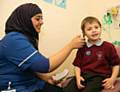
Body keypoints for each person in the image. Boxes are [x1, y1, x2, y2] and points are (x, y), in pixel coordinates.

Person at [0, 3, 85, 92]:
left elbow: (31, 65)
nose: (42, 22)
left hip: (32, 83)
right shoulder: (14, 40)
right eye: (37, 18)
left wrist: (46, 78)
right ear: (25, 20)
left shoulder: (24, 38)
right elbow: (45, 66)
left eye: (41, 18)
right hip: (17, 87)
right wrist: (71, 46)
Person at [63, 16, 120, 92]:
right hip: (84, 75)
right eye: (89, 29)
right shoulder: (82, 47)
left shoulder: (109, 46)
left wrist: (112, 79)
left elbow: (116, 64)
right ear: (84, 33)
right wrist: (78, 77)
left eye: (96, 27)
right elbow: (77, 65)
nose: (94, 30)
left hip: (99, 76)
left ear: (100, 29)